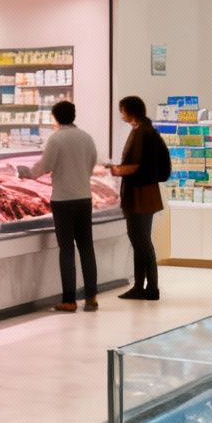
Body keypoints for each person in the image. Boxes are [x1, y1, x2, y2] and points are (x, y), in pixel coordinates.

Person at [21, 99, 99, 311]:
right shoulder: (86, 137)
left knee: (66, 250)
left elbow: (44, 167)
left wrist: (26, 173)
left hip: (63, 200)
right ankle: (91, 297)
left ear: (55, 117)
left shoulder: (56, 139)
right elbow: (92, 163)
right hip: (84, 198)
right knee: (86, 248)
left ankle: (69, 300)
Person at [110, 95, 170, 301]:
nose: (121, 116)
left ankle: (149, 288)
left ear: (129, 111)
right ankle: (143, 286)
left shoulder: (140, 133)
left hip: (139, 195)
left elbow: (134, 166)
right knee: (141, 241)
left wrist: (114, 170)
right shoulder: (148, 130)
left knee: (141, 242)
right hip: (149, 194)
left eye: (122, 111)